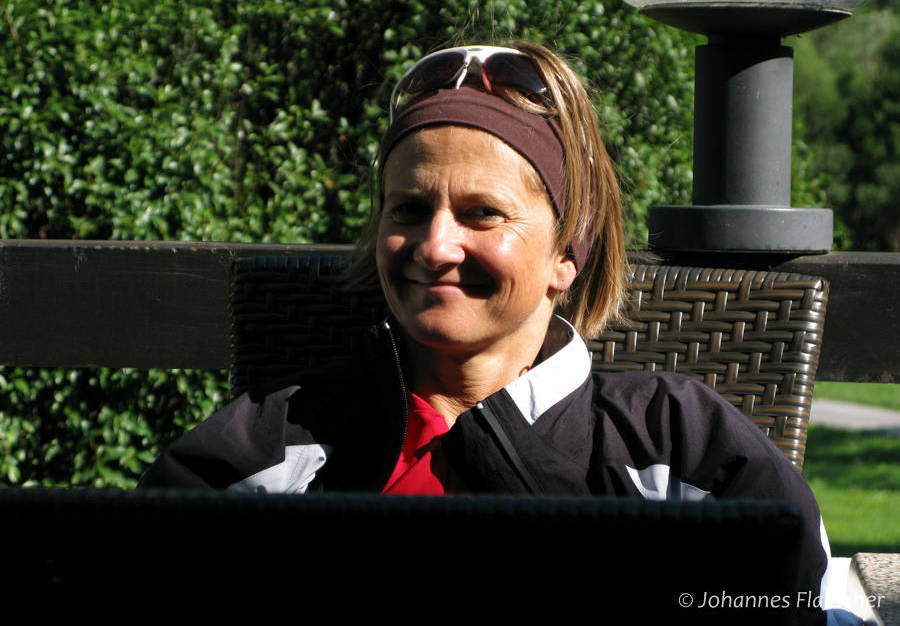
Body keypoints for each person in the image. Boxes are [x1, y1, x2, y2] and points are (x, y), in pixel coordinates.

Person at [139, 43, 841, 621]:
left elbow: (791, 600)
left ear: (566, 254)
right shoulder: (280, 440)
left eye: (482, 213)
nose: (434, 246)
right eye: (409, 209)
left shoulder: (674, 443)